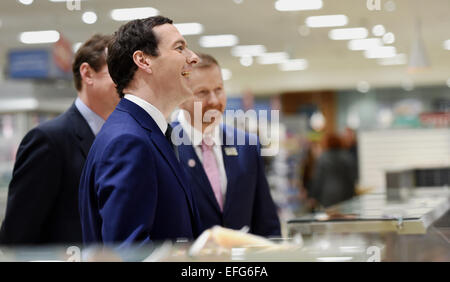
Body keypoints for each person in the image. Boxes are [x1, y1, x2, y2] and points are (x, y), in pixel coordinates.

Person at [78, 16, 201, 247]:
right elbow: (129, 252)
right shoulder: (127, 141)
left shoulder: (148, 133)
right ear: (143, 60)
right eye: (180, 48)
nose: (193, 58)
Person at [0, 34, 119, 245]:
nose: (126, 82)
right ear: (87, 73)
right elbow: (17, 234)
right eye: (117, 72)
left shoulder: (123, 138)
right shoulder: (49, 140)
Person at [172, 53, 281, 237]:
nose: (214, 100)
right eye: (202, 92)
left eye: (219, 89)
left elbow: (266, 221)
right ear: (180, 98)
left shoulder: (247, 145)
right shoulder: (163, 145)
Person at [310, 132, 357, 208]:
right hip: (346, 193)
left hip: (328, 195)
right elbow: (353, 177)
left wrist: (313, 196)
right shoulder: (347, 156)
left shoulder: (322, 158)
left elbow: (318, 179)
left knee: (331, 217)